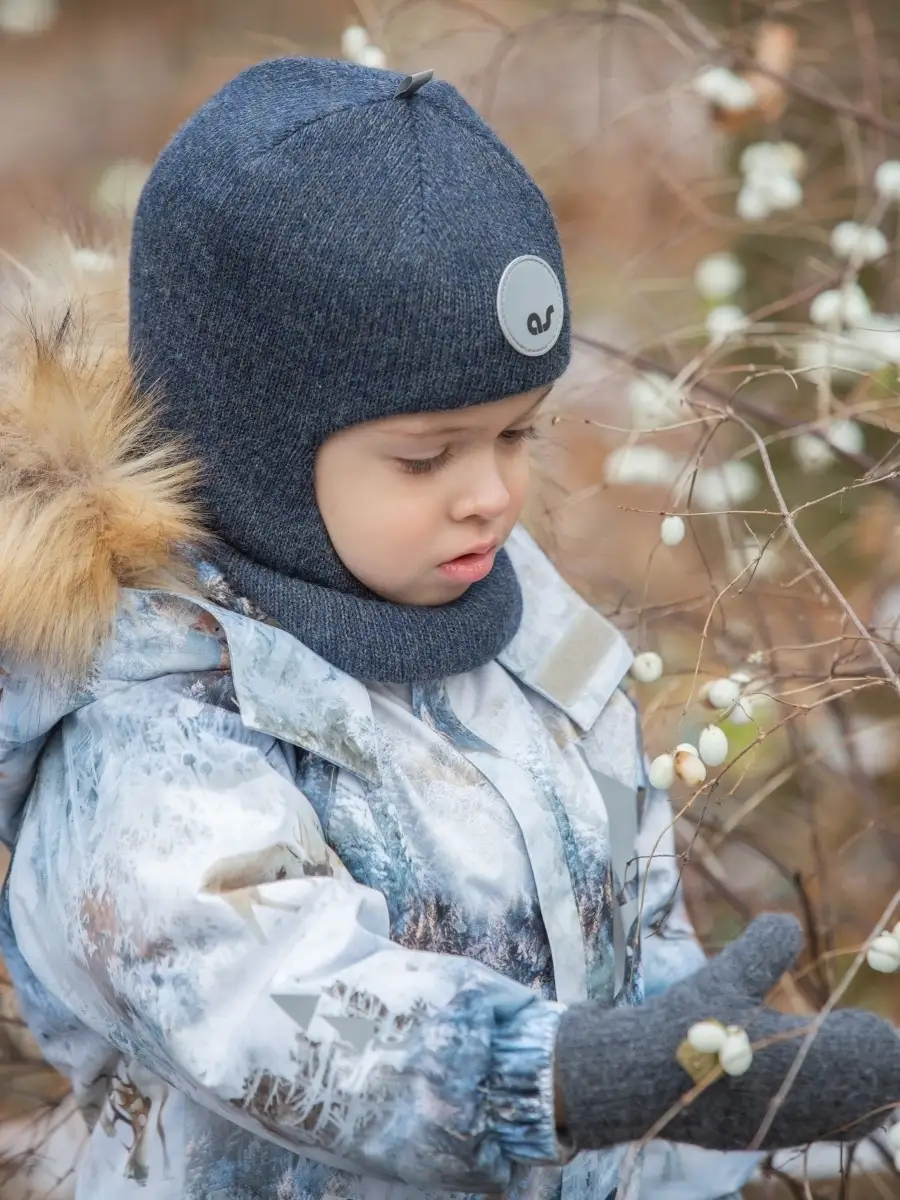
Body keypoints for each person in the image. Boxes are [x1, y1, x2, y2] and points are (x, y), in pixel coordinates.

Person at [0, 55, 897, 1200]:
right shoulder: (150, 728)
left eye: (519, 434)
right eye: (429, 455)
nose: (492, 495)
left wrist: (718, 1080)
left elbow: (634, 914)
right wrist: (558, 1077)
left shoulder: (521, 635)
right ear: (257, 453)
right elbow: (263, 1000)